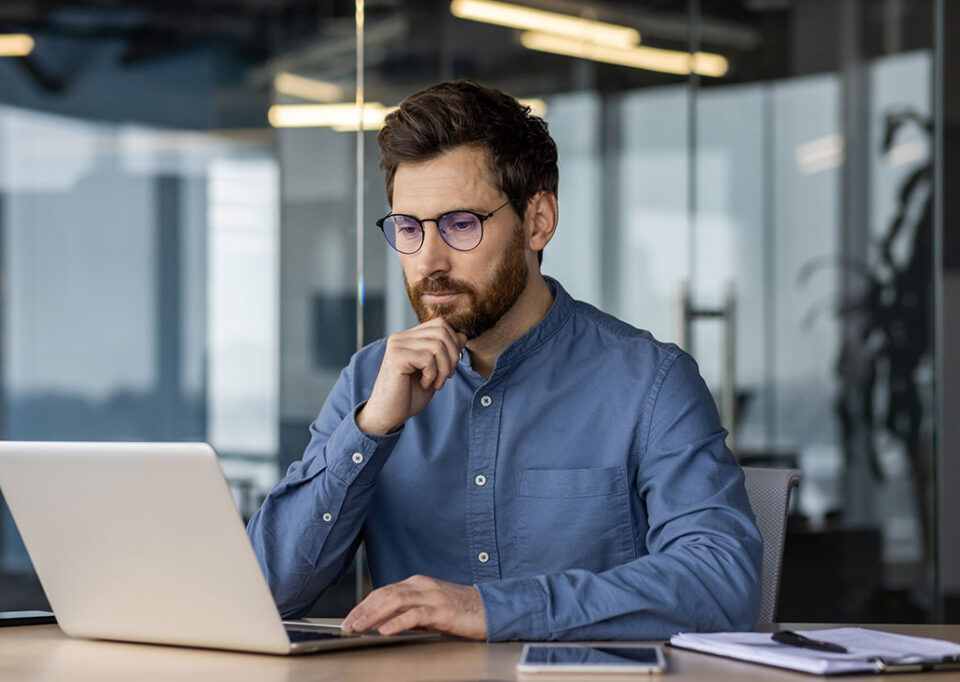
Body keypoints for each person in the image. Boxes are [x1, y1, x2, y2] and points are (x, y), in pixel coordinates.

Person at [247, 79, 762, 642]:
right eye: (409, 229)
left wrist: (492, 608)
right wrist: (370, 430)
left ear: (538, 221)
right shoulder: (370, 383)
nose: (430, 261)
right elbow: (263, 593)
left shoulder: (650, 382)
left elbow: (721, 583)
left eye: (461, 224)